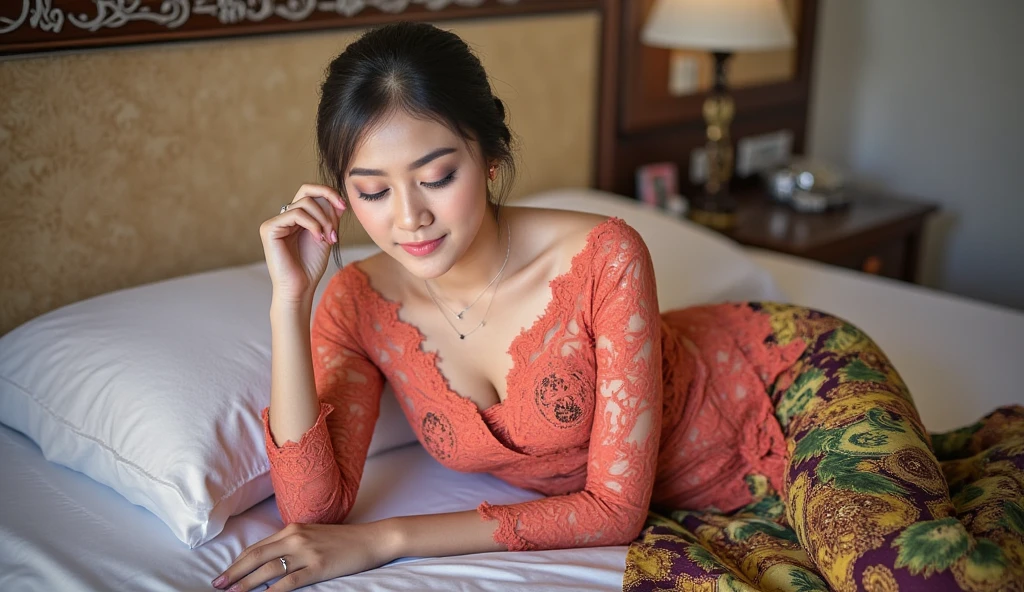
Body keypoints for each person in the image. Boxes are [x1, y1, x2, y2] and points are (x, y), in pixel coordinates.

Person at [212, 21, 1024, 592]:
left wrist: (382, 543)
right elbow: (314, 508)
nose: (409, 217)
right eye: (372, 190)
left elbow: (611, 510)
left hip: (793, 380)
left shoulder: (603, 253)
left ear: (490, 160)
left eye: (437, 175)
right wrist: (291, 302)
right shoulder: (353, 302)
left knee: (922, 577)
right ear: (342, 194)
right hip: (704, 486)